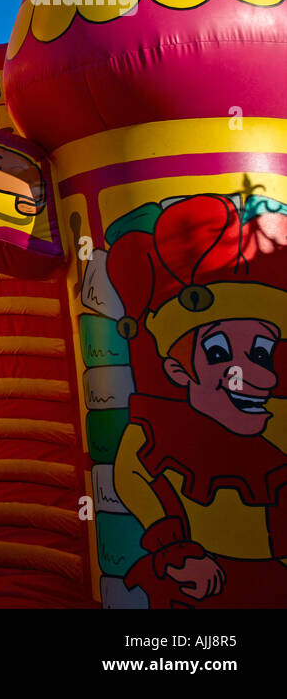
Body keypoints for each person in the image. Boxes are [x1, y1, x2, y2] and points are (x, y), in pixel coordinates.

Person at [108, 195, 287, 607]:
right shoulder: (160, 426)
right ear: (178, 371)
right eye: (219, 353)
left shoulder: (277, 419)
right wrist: (174, 548)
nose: (249, 374)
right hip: (211, 576)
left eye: (261, 353)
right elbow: (131, 476)